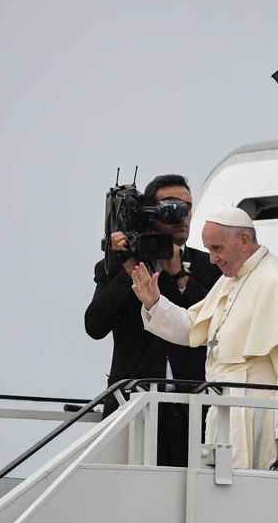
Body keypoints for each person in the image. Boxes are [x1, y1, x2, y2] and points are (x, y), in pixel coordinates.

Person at [130, 206, 278, 470]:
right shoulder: (229, 280)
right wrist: (154, 303)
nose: (211, 259)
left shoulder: (275, 279)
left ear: (243, 241)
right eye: (209, 249)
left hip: (260, 416)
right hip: (224, 411)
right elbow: (193, 327)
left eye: (217, 249)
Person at [84, 174, 221, 467]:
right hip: (132, 404)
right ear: (149, 213)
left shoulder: (208, 267)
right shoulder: (114, 266)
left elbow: (215, 324)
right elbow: (94, 325)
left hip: (193, 408)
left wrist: (179, 275)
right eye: (172, 207)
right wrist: (128, 268)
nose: (182, 216)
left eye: (187, 206)